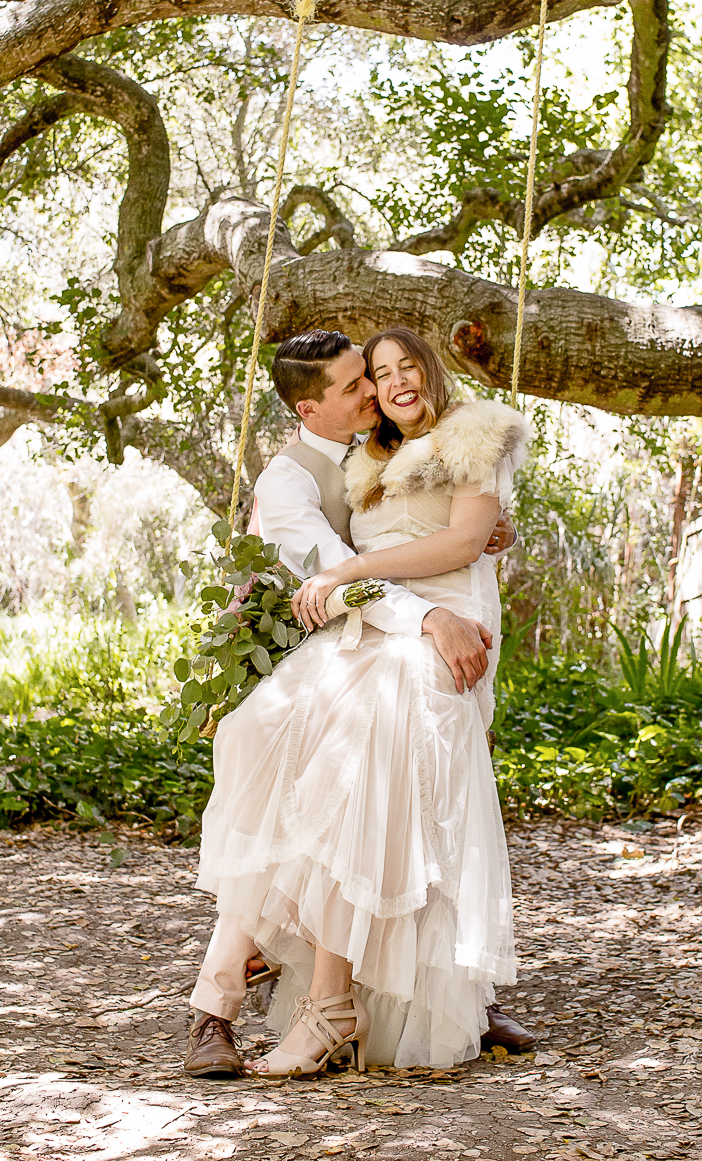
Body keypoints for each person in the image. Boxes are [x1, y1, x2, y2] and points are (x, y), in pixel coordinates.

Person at [185, 327, 531, 1078]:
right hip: (363, 633)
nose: (375, 391)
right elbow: (340, 570)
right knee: (278, 766)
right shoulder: (285, 485)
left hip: (403, 632)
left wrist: (484, 527)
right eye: (359, 383)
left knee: (384, 779)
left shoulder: (378, 449)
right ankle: (215, 1007)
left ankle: (446, 990)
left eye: (381, 375)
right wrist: (430, 610)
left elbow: (446, 521)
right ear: (312, 410)